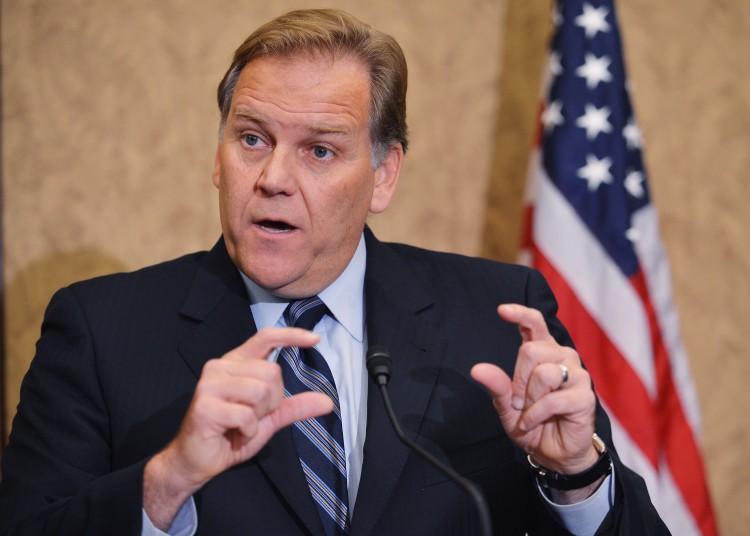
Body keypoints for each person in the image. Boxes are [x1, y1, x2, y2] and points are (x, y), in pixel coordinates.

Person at [0, 9, 668, 535]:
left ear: (383, 175)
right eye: (253, 138)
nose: (273, 180)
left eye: (320, 150)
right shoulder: (100, 330)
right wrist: (167, 481)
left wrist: (576, 474)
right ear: (218, 153)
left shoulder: (498, 318)